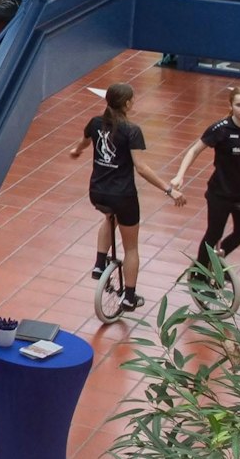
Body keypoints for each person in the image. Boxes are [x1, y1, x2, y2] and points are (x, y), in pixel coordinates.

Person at [66, 82, 180, 311]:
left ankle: (99, 264)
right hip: (123, 195)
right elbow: (141, 167)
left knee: (109, 218)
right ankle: (129, 296)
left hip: (97, 191)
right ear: (127, 103)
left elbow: (84, 141)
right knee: (131, 248)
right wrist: (168, 189)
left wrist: (76, 150)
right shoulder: (131, 130)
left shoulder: (95, 123)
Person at [173, 86, 240, 280]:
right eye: (239, 105)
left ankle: (216, 260)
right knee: (213, 234)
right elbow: (194, 150)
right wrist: (180, 175)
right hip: (220, 193)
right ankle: (199, 275)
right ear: (230, 105)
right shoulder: (220, 129)